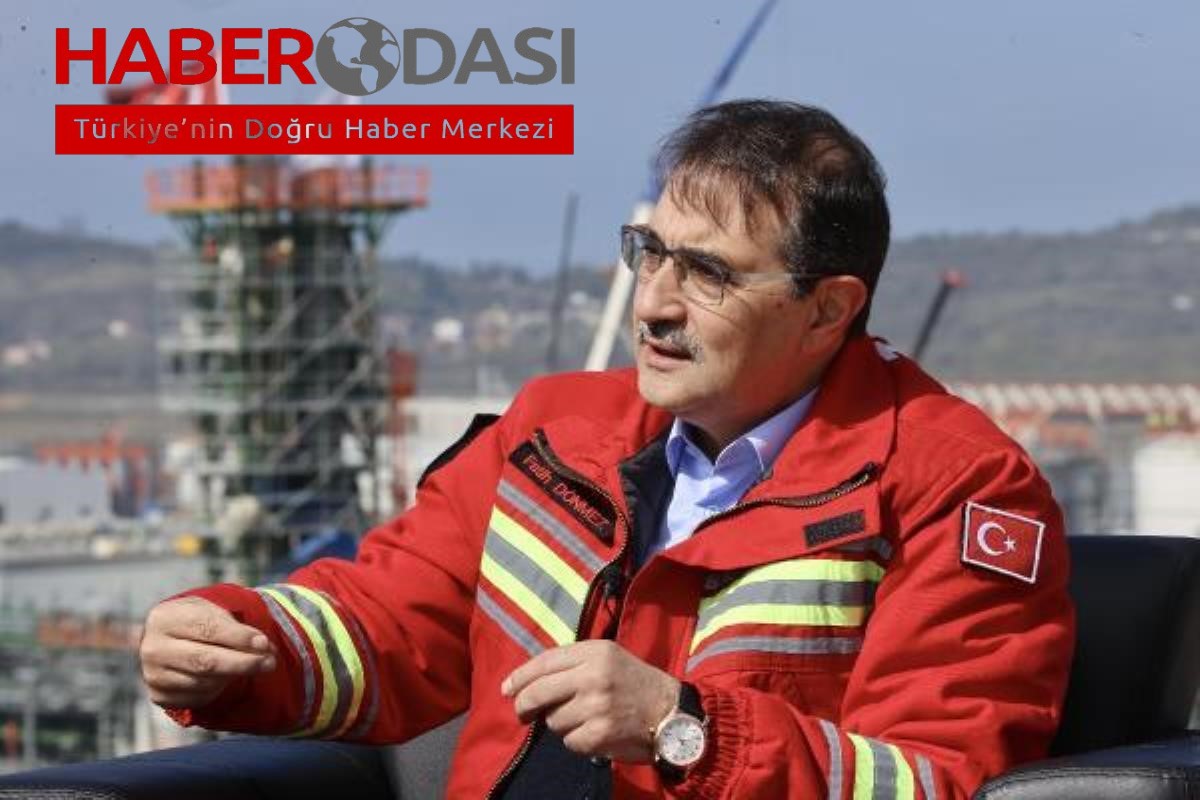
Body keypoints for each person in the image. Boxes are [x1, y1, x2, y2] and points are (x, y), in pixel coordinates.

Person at [139, 100, 1074, 799]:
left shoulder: (956, 488)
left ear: (829, 309)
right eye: (649, 252)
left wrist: (683, 730)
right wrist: (245, 643)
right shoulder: (552, 435)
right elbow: (393, 624)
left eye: (707, 274)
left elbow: (940, 781)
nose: (654, 304)